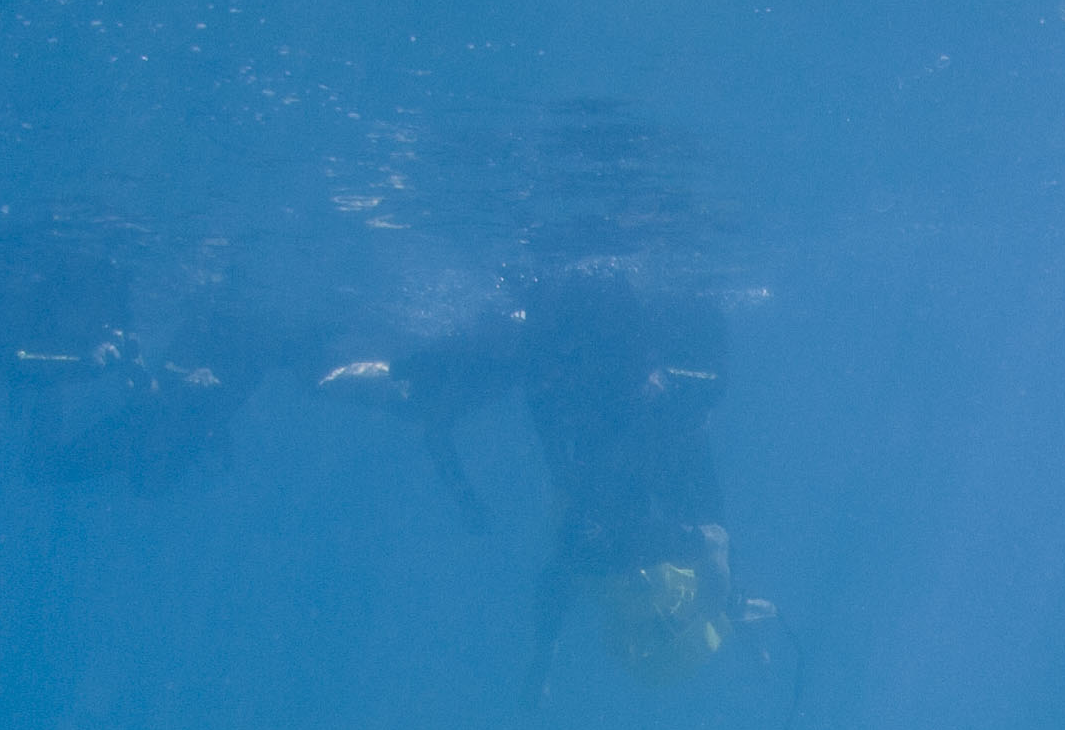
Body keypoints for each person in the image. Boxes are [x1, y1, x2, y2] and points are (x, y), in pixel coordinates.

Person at [323, 255, 774, 691]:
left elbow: (482, 358)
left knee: (592, 546)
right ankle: (713, 568)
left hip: (625, 434)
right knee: (601, 543)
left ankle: (709, 562)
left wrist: (398, 369)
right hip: (636, 431)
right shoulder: (555, 338)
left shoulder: (551, 336)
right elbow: (481, 362)